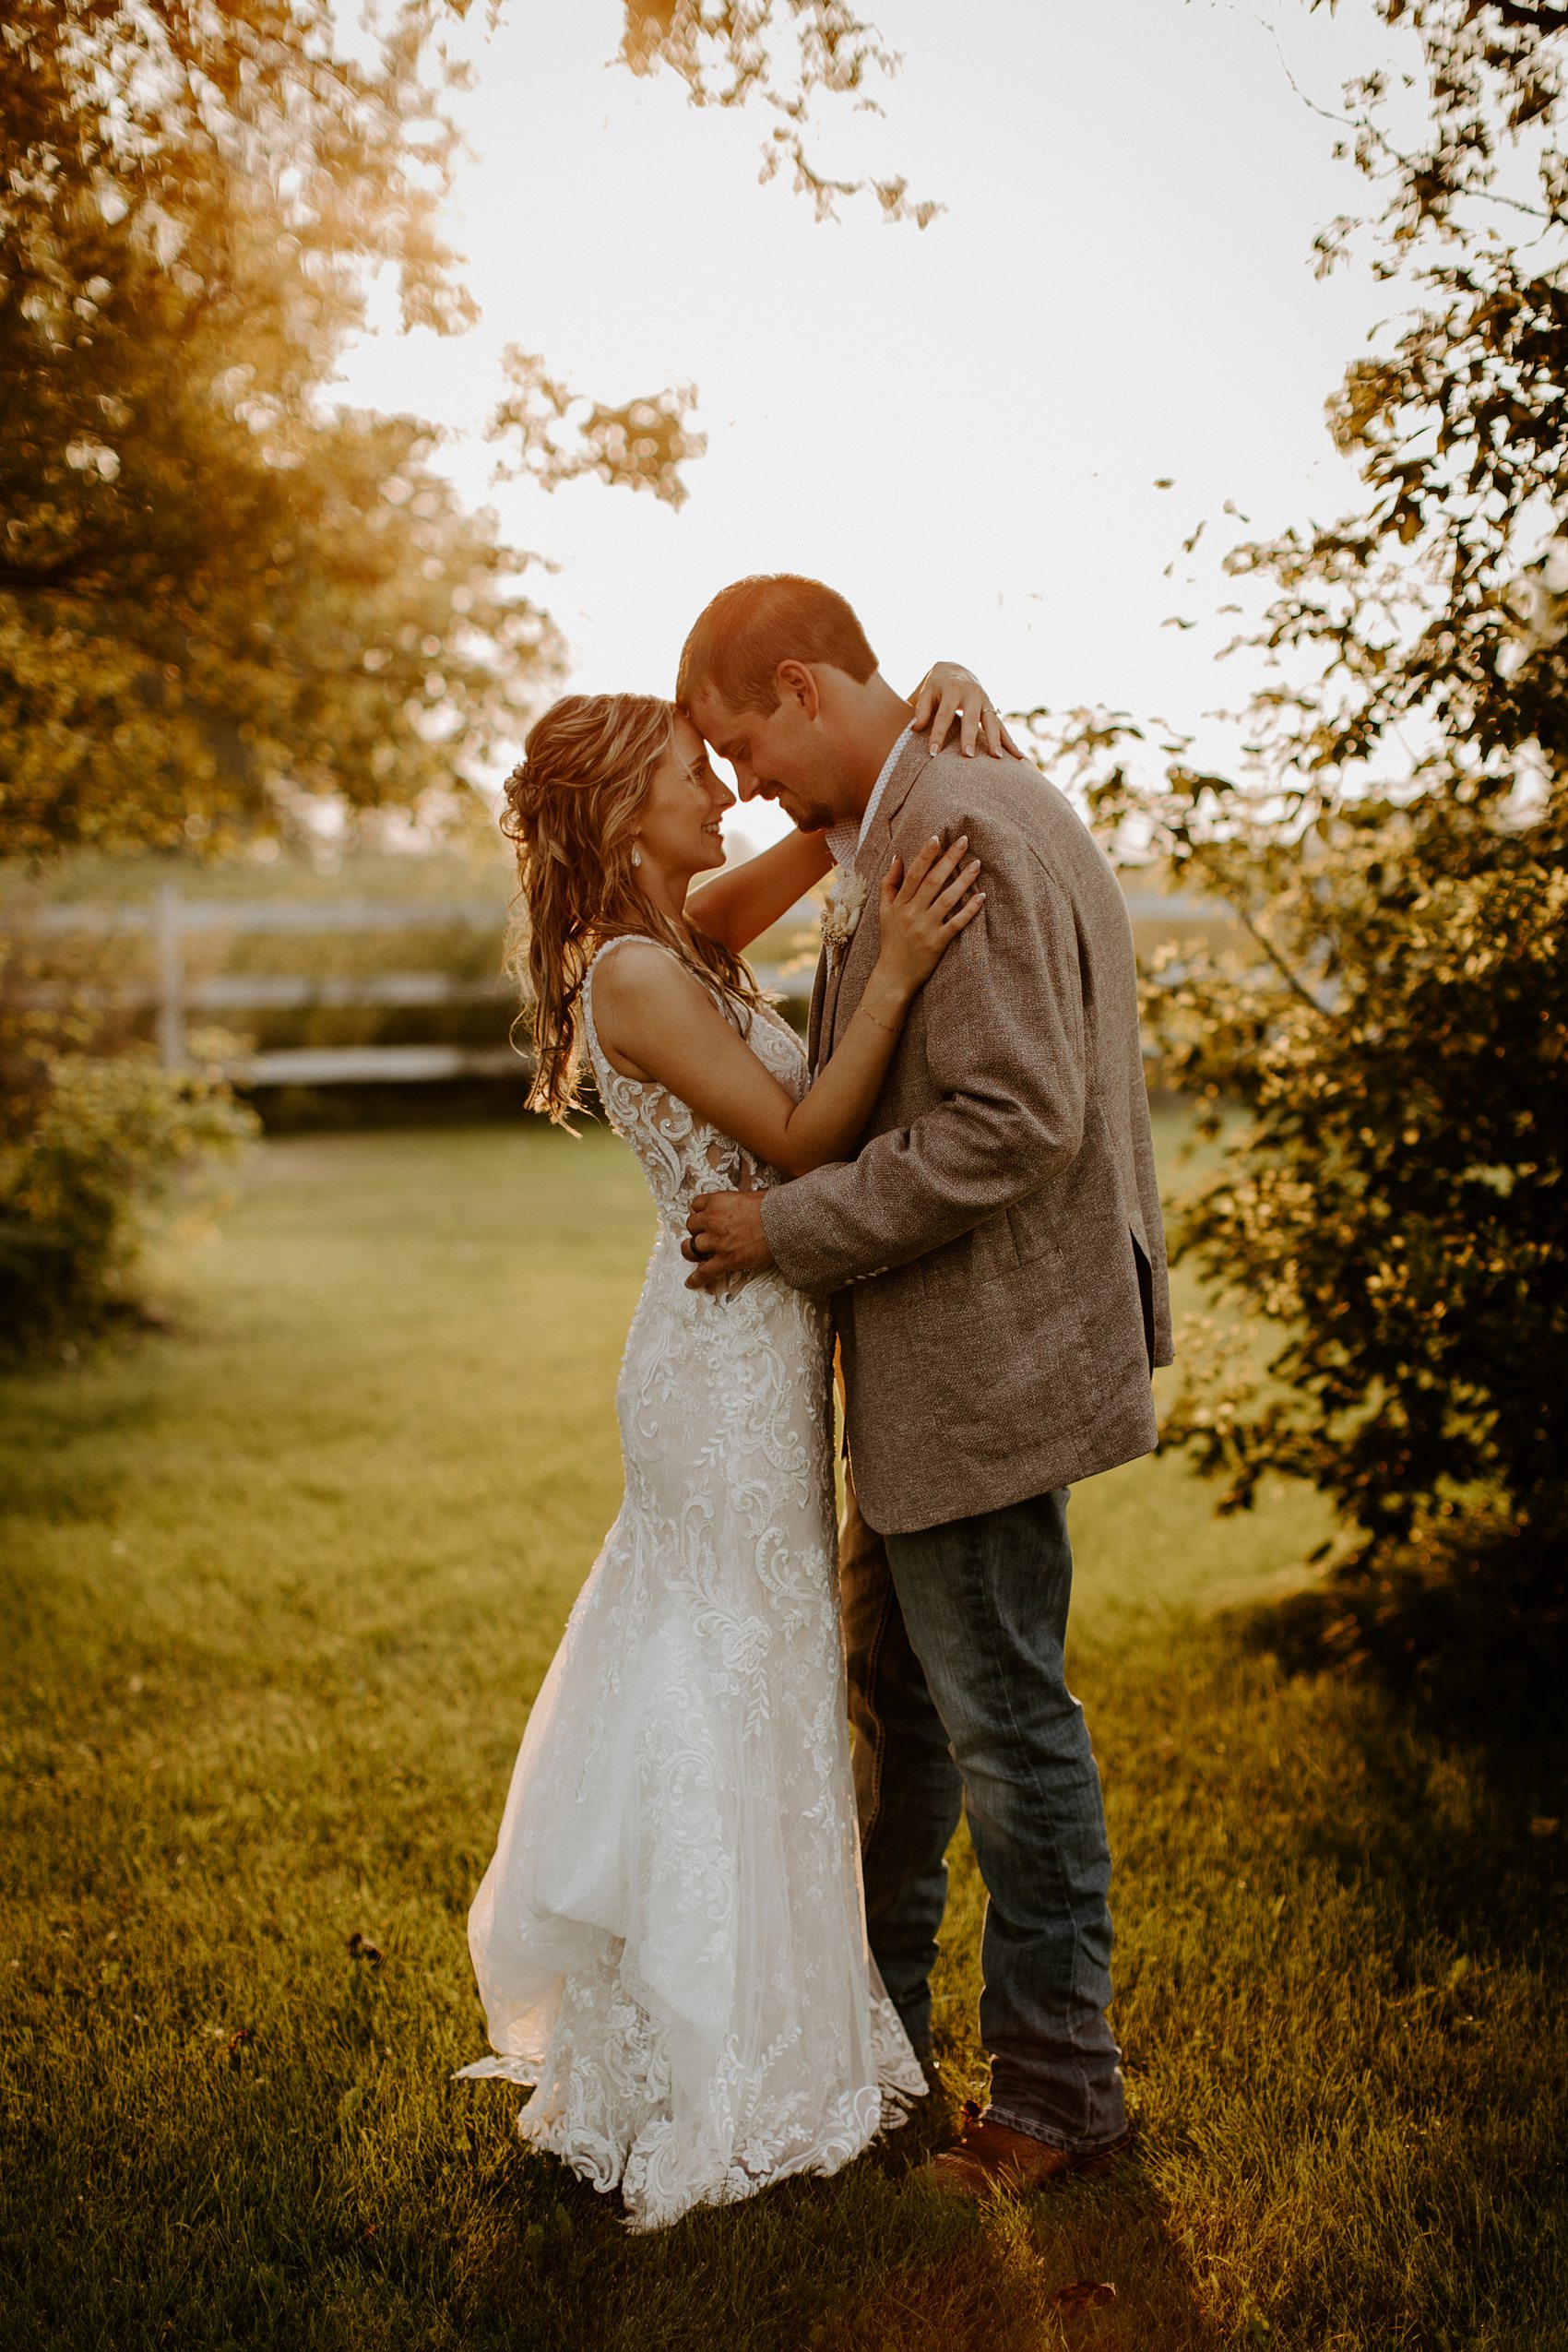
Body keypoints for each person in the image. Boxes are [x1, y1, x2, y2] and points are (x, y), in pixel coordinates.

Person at [457, 659, 1005, 2231]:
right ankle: (716, 2055)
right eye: (696, 770)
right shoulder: (630, 970)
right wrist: (893, 969)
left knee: (757, 1664)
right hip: (714, 1366)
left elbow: (837, 820)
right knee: (734, 1668)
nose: (728, 787)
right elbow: (800, 1140)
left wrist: (934, 698)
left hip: (762, 1352)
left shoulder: (683, 934)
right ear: (632, 807)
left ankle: (751, 2017)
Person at [681, 576, 1172, 2197]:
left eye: (745, 744)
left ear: (806, 685)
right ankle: (881, 2053)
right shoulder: (923, 797)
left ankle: (1056, 2093)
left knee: (1009, 1730)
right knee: (916, 1721)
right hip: (947, 1371)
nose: (742, 782)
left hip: (986, 1367)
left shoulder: (950, 822)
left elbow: (1013, 1116)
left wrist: (785, 1226)